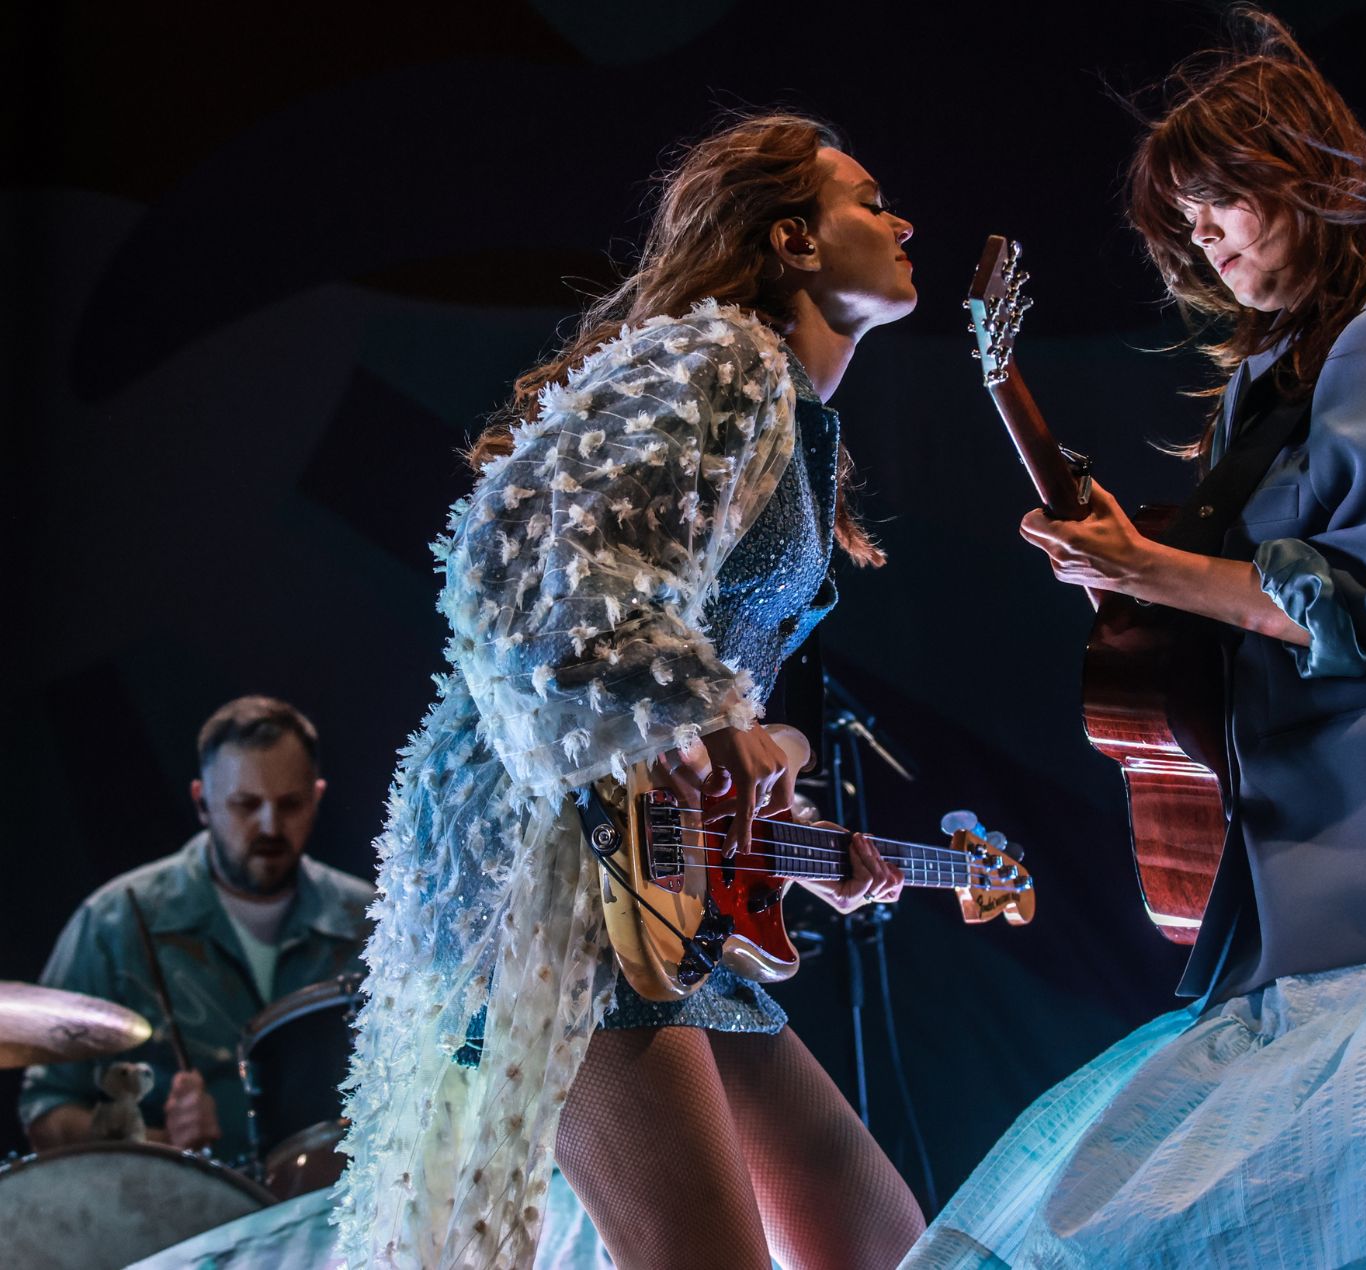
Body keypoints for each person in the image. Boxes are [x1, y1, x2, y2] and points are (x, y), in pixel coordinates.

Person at [905, 12, 1366, 1269]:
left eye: (1217, 201)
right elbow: (1237, 614)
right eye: (1181, 218)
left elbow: (1356, 606)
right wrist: (1134, 582)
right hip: (1338, 892)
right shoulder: (1281, 369)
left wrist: (1147, 565)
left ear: (1304, 178)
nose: (1200, 236)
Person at [332, 113, 927, 1270]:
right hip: (549, 877)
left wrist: (767, 829)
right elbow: (516, 548)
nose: (903, 223)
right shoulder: (718, 356)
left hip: (653, 892)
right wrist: (703, 713)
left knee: (873, 1241)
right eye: (869, 202)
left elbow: (681, 712)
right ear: (793, 240)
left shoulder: (791, 414)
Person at [19, 695, 372, 1163]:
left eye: (290, 804)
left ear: (318, 797)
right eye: (246, 805)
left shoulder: (370, 917)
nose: (270, 825)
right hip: (186, 1218)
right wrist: (160, 1143)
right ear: (202, 803)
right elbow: (46, 1112)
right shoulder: (113, 923)